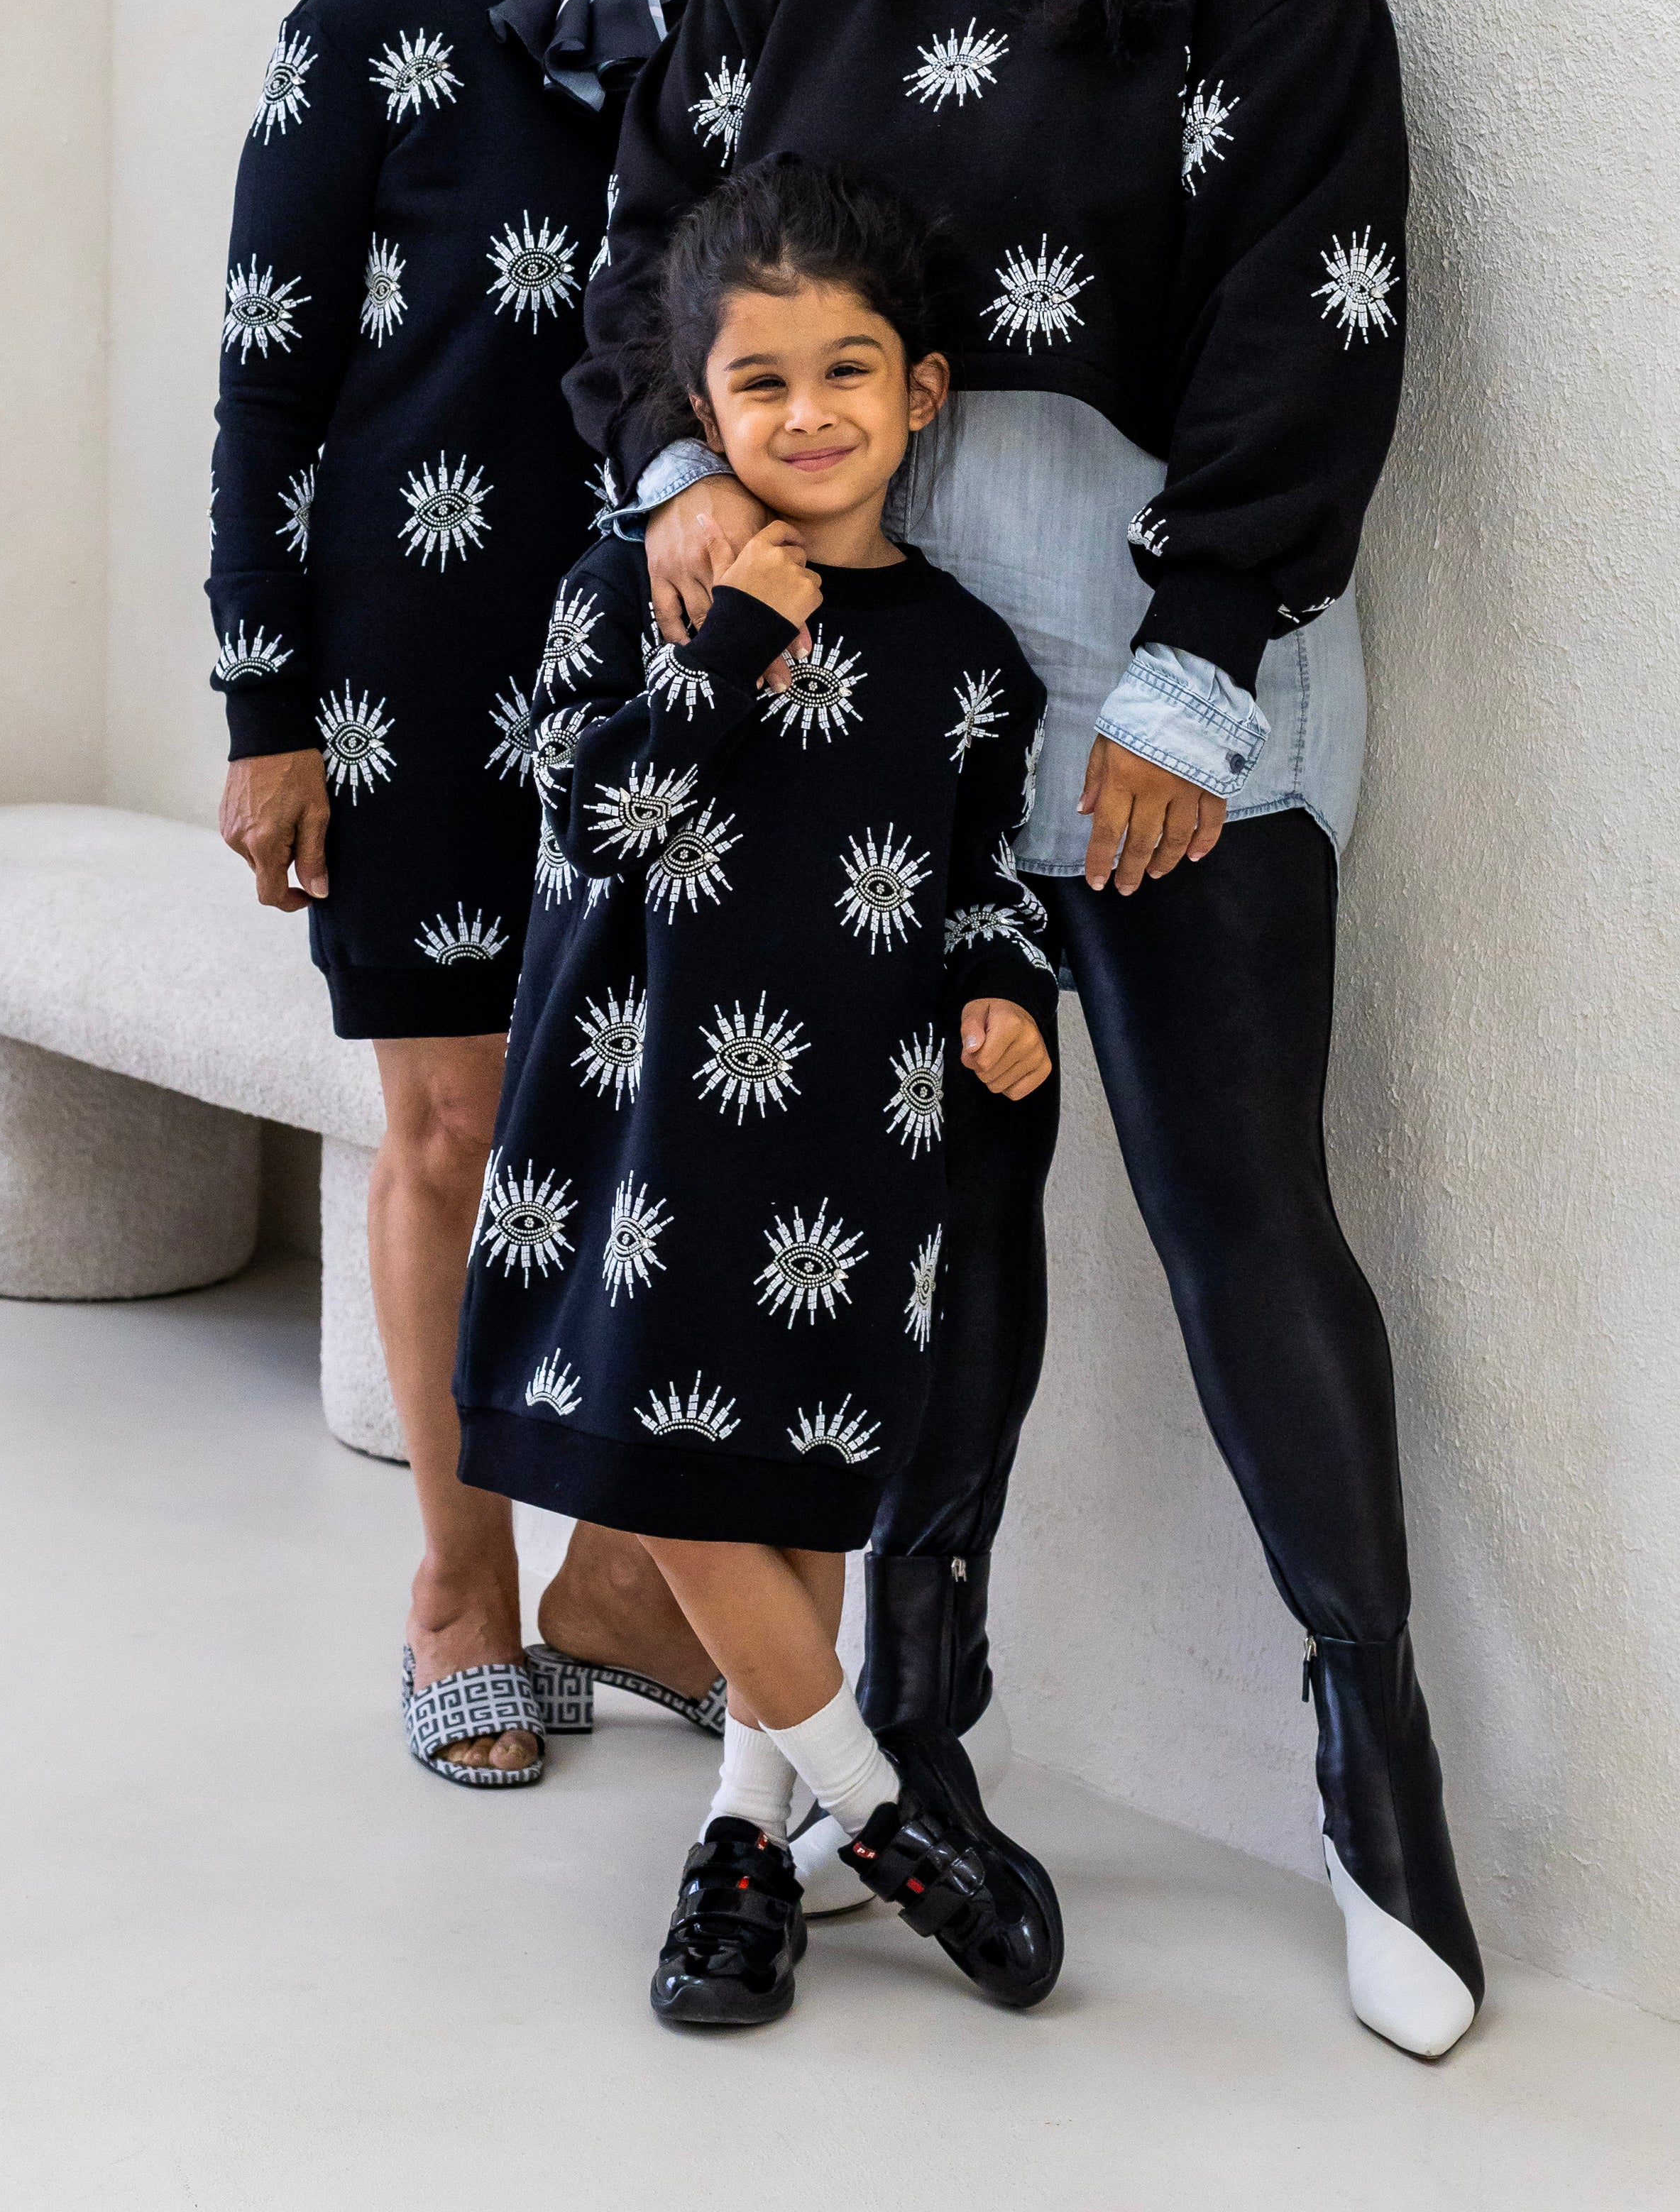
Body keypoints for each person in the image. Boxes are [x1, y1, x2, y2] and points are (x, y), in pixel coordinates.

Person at [567, 0, 1485, 2057]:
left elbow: (1320, 334)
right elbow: (659, 269)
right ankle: (898, 1763)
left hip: (1177, 669)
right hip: (871, 707)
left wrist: (1187, 689)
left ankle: (1373, 1766)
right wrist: (690, 493)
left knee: (1238, 1219)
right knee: (908, 1228)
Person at [210, 0, 742, 1783]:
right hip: (412, 664)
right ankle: (461, 1582)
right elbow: (268, 385)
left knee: (649, 1135)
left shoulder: (750, 27)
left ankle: (622, 1575)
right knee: (444, 1132)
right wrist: (265, 708)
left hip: (673, 670)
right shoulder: (360, 30)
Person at [456, 158, 1064, 2028]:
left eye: (849, 373)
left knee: (789, 1479)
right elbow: (596, 811)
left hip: (846, 1149)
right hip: (631, 1133)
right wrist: (730, 643)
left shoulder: (970, 658)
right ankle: (884, 1814)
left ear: (923, 391)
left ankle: (745, 1850)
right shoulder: (624, 592)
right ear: (701, 411)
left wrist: (994, 979)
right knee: (667, 1469)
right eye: (762, 385)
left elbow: (981, 869)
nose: (809, 418)